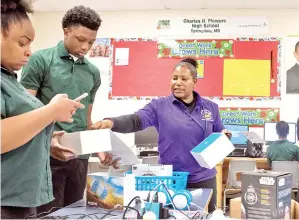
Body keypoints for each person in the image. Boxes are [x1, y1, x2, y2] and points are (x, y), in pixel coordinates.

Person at [91, 58, 230, 212]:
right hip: (171, 181)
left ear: (194, 82)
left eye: (184, 79)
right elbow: (137, 120)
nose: (178, 83)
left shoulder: (211, 108)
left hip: (203, 179)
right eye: (174, 78)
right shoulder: (159, 106)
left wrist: (225, 136)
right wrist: (111, 122)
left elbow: (219, 133)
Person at [19, 5, 118, 214]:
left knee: (75, 213)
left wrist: (98, 148)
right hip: (47, 156)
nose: (85, 47)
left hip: (79, 159)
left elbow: (86, 120)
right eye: (80, 39)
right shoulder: (40, 60)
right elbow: (24, 114)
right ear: (65, 31)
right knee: (48, 214)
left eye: (91, 42)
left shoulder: (92, 72)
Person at [1, 0, 84, 218]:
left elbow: (15, 133)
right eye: (22, 43)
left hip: (20, 200)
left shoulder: (10, 80)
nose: (29, 52)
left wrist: (46, 140)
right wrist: (51, 111)